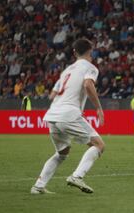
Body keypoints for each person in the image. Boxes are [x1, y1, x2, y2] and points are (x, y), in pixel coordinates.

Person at [30, 39, 105, 194]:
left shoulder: (67, 70)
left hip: (53, 115)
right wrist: (98, 108)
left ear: (74, 52)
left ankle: (38, 186)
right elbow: (88, 85)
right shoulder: (91, 68)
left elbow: (52, 95)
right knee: (98, 145)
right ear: (91, 50)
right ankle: (77, 176)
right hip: (69, 113)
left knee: (62, 153)